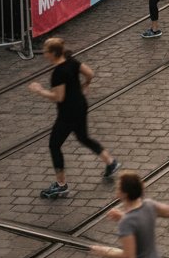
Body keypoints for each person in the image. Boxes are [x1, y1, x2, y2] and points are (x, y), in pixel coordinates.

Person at [28, 37, 120, 199]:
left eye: (46, 51)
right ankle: (110, 161)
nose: (44, 54)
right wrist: (86, 84)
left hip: (68, 113)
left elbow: (59, 97)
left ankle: (61, 185)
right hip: (80, 106)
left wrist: (39, 90)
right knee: (83, 137)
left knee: (54, 145)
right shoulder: (72, 61)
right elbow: (90, 73)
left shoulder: (59, 72)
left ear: (53, 53)